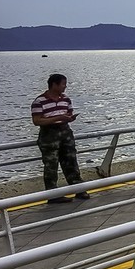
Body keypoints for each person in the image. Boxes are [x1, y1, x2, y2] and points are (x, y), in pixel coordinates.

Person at [31, 73, 89, 202]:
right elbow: (37, 121)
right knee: (51, 165)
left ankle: (79, 189)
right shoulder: (39, 101)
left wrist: (69, 118)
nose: (65, 87)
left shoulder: (66, 99)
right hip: (49, 135)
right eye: (63, 84)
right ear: (54, 84)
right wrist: (58, 118)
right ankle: (52, 194)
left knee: (71, 161)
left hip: (66, 132)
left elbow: (69, 113)